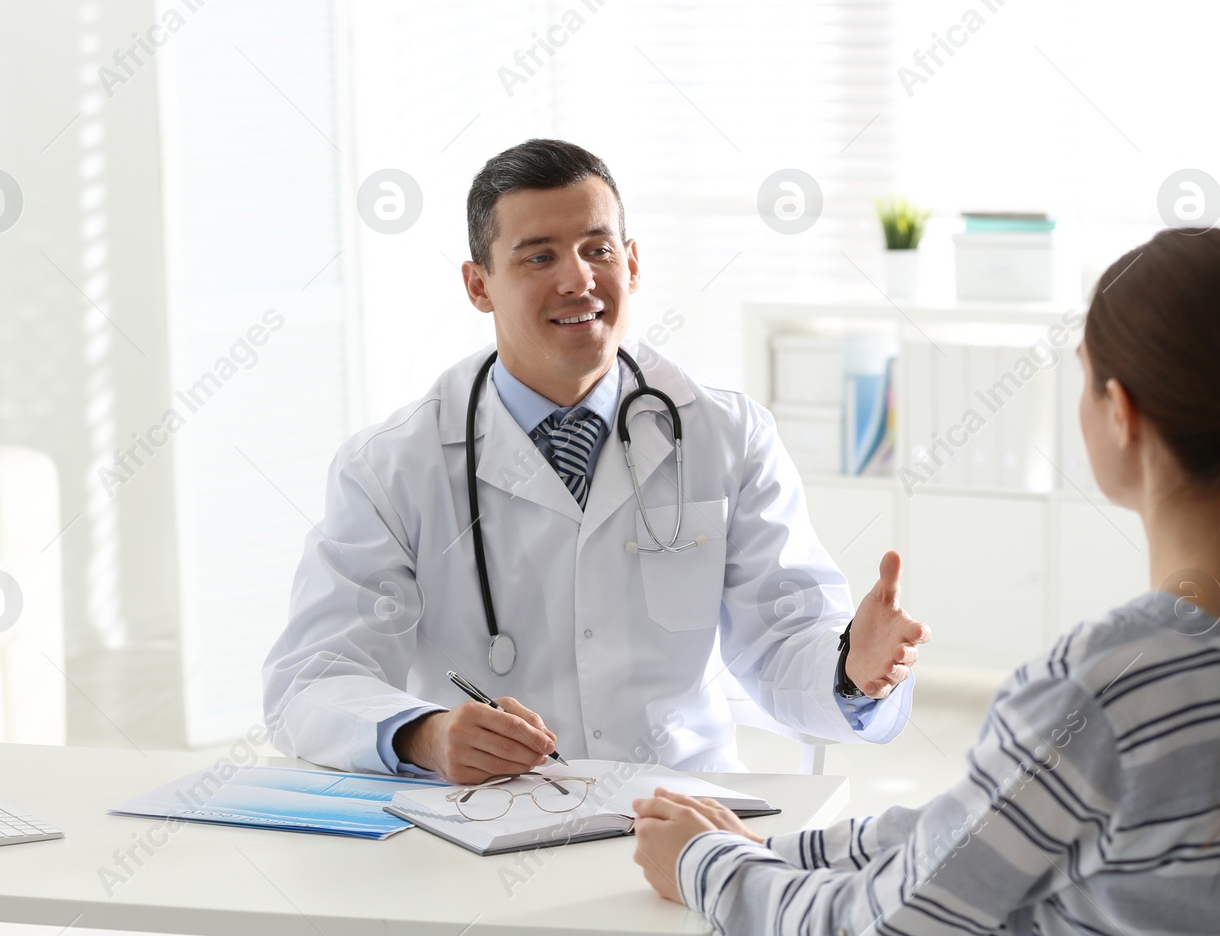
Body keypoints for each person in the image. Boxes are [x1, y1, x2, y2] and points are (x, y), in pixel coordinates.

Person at [632, 227, 1220, 935]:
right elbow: (988, 820)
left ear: (1119, 411)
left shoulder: (1102, 686)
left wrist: (706, 864)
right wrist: (782, 846)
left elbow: (890, 923)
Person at [262, 138, 931, 785]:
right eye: (538, 256)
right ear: (478, 284)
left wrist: (854, 668)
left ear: (632, 263)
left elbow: (784, 638)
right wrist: (426, 735)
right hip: (483, 819)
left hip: (685, 817)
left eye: (597, 249)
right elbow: (312, 679)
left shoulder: (728, 434)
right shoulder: (391, 467)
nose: (578, 279)